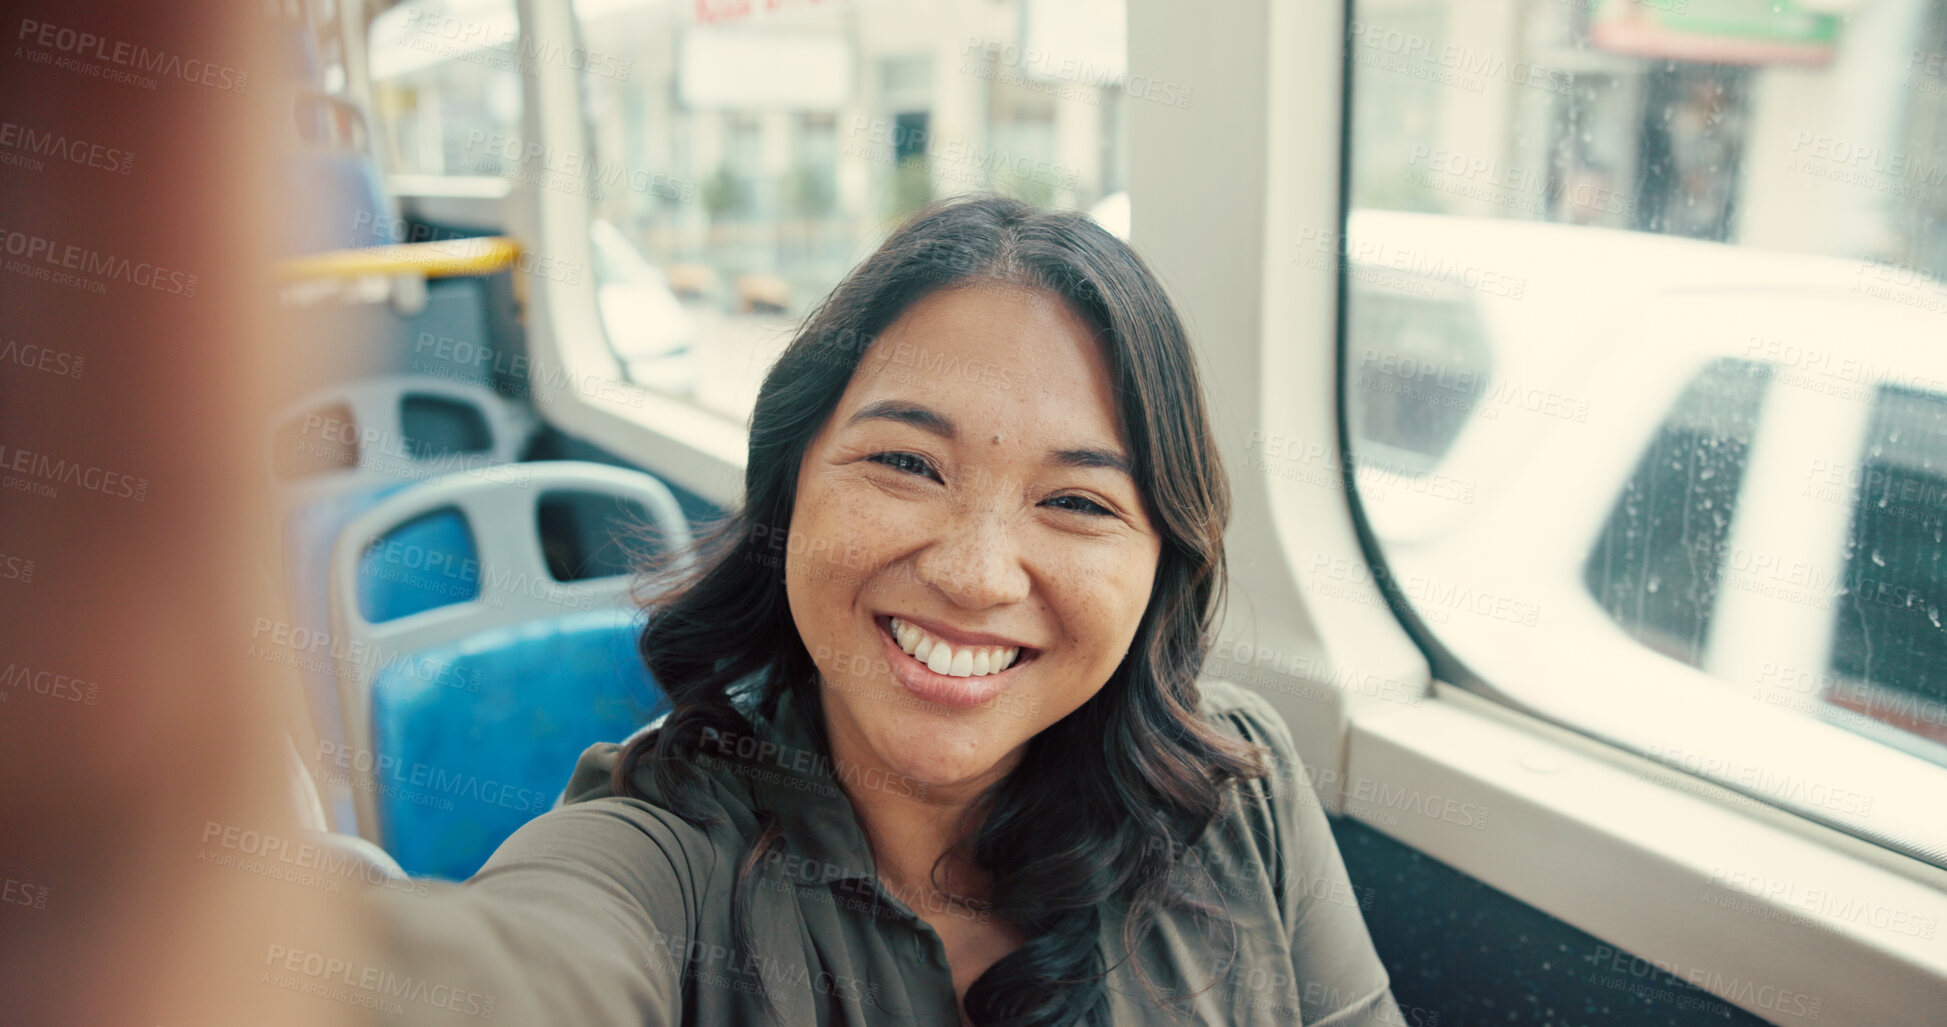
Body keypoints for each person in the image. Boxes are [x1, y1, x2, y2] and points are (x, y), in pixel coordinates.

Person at [359, 196, 1401, 1026]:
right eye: (906, 463)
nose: (978, 574)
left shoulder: (1239, 795)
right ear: (789, 489)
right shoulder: (664, 860)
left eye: (1078, 501)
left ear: (1162, 559)